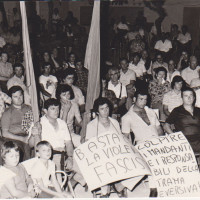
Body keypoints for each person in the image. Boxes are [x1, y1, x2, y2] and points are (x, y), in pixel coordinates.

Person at [85, 97, 126, 197]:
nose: (105, 111)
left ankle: (116, 184)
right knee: (104, 163)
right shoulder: (91, 125)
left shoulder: (114, 122)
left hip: (115, 152)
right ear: (97, 111)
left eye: (107, 108)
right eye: (102, 109)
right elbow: (89, 144)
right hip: (100, 154)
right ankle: (106, 189)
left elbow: (119, 139)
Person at [1, 86, 38, 161]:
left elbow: (35, 122)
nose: (19, 98)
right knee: (23, 149)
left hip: (29, 135)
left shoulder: (28, 108)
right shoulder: (8, 112)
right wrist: (22, 139)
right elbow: (4, 133)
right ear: (11, 98)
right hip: (13, 138)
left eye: (20, 95)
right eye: (15, 96)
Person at [40, 98, 74, 173]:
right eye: (53, 109)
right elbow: (31, 144)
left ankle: (71, 183)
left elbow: (68, 143)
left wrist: (70, 157)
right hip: (50, 155)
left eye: (58, 108)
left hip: (63, 154)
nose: (56, 111)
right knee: (58, 171)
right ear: (45, 111)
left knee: (85, 167)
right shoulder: (39, 123)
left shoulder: (62, 123)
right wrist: (34, 134)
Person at [164, 87, 200, 153]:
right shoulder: (177, 111)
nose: (189, 98)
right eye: (186, 96)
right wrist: (176, 138)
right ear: (182, 98)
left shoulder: (198, 110)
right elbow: (166, 126)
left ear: (194, 97)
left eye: (191, 95)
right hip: (184, 142)